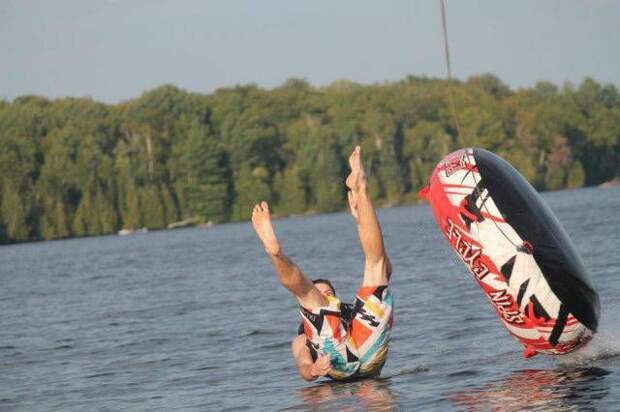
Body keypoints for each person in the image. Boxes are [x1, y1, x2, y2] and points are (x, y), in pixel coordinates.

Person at [251, 146, 393, 381]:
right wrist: (314, 370)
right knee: (310, 297)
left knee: (378, 268)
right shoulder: (302, 338)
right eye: (322, 292)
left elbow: (385, 268)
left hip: (368, 348)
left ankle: (361, 189)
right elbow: (304, 367)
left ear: (337, 298)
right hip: (336, 360)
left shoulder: (349, 311)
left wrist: (362, 222)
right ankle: (276, 253)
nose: (324, 293)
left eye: (328, 292)